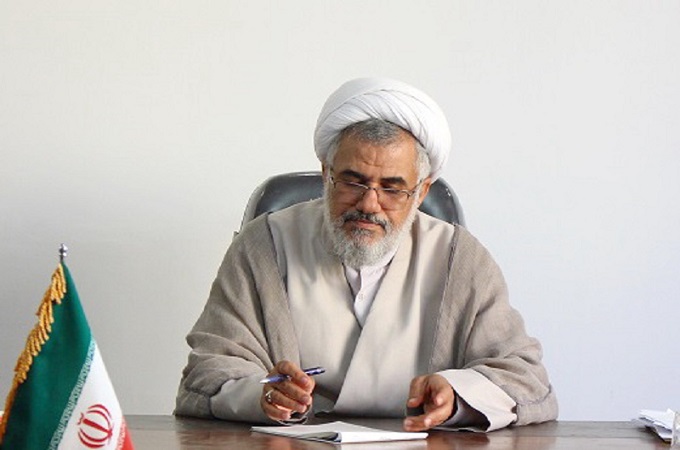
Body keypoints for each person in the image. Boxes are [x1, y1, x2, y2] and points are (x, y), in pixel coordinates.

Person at [175, 77, 558, 432]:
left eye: (392, 188)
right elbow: (208, 370)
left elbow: (526, 379)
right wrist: (262, 395)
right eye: (352, 181)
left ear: (421, 192)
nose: (369, 204)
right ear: (326, 173)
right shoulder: (264, 244)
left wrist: (458, 396)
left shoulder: (460, 258)